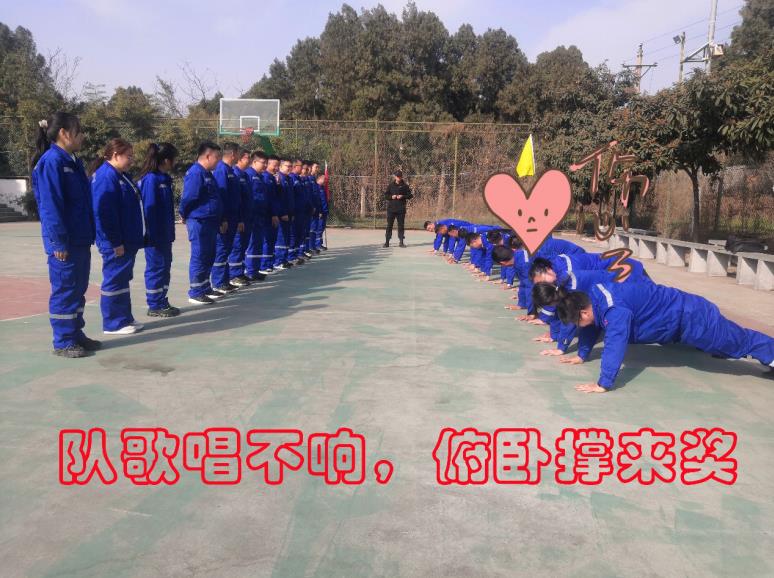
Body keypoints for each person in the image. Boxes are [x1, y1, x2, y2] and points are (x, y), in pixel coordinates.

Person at [555, 283, 774, 393]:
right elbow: (594, 325)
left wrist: (603, 383)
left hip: (693, 317)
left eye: (577, 323)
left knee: (738, 342)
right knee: (724, 347)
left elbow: (614, 343)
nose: (578, 328)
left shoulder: (614, 311)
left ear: (584, 312)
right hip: (681, 320)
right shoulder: (594, 297)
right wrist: (582, 354)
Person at [32, 113, 100, 357]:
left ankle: (75, 333)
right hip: (65, 242)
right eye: (78, 131)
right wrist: (58, 241)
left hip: (80, 238)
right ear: (64, 133)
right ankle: (63, 341)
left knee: (78, 289)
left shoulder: (73, 161)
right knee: (65, 290)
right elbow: (50, 206)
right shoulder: (51, 162)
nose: (82, 136)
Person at [91, 138, 146, 335]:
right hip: (116, 242)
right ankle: (113, 322)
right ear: (115, 155)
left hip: (127, 239)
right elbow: (104, 213)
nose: (132, 160)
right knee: (114, 279)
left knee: (122, 279)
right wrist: (115, 241)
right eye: (128, 156)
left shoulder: (121, 175)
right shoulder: (107, 177)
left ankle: (124, 317)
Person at [179, 141, 227, 305]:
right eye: (217, 157)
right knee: (200, 255)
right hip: (199, 221)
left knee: (209, 255)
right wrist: (183, 213)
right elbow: (189, 197)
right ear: (207, 156)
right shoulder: (195, 173)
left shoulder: (207, 174)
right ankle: (196, 292)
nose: (218, 161)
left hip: (210, 221)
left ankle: (205, 287)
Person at [138, 142, 180, 318]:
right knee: (156, 268)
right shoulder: (151, 180)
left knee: (164, 267)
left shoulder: (164, 179)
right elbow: (149, 209)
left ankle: (161, 300)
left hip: (165, 234)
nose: (175, 162)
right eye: (174, 159)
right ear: (166, 160)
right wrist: (152, 234)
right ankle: (154, 304)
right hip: (155, 235)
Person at [211, 142, 244, 293]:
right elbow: (221, 196)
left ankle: (224, 280)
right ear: (233, 154)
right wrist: (222, 218)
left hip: (233, 217)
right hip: (225, 218)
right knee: (221, 250)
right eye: (238, 153)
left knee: (227, 250)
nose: (239, 156)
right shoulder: (221, 170)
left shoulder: (230, 170)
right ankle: (218, 282)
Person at [244, 150, 272, 281]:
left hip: (261, 215)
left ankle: (255, 270)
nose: (265, 165)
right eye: (263, 163)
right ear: (254, 162)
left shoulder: (260, 176)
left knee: (258, 243)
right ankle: (249, 270)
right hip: (252, 215)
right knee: (252, 244)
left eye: (266, 163)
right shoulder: (248, 175)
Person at [227, 147, 253, 287]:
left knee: (243, 246)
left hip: (247, 216)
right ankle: (234, 275)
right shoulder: (235, 173)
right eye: (248, 157)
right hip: (239, 217)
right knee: (236, 247)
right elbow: (237, 200)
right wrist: (240, 219)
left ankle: (240, 272)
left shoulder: (245, 175)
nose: (249, 160)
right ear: (240, 158)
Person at [384, 170, 413, 247]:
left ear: (401, 177)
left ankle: (401, 242)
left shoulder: (405, 186)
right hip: (391, 209)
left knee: (401, 226)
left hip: (401, 209)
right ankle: (387, 242)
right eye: (397, 176)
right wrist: (391, 197)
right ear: (395, 176)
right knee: (389, 225)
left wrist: (403, 196)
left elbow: (410, 195)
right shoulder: (390, 185)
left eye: (400, 176)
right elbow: (386, 196)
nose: (398, 178)